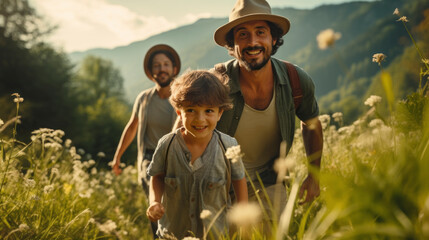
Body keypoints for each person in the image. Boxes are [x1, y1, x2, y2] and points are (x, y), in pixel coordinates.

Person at [213, 0, 323, 229]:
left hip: (269, 181)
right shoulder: (215, 83)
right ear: (232, 44)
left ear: (273, 39)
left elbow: (311, 122)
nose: (253, 42)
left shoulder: (296, 80)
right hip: (219, 183)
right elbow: (182, 132)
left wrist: (314, 175)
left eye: (260, 32)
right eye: (243, 34)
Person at [146, 70, 248, 239]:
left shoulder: (228, 146)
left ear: (220, 113)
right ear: (179, 112)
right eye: (191, 110)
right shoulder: (167, 144)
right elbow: (157, 175)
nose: (200, 119)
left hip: (214, 235)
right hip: (173, 234)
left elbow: (239, 179)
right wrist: (154, 201)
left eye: (209, 111)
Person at [111, 44, 180, 238]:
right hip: (148, 163)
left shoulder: (181, 98)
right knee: (155, 210)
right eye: (157, 65)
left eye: (166, 64)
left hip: (175, 162)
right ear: (151, 72)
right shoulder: (144, 98)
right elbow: (132, 127)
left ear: (174, 69)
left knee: (174, 214)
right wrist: (117, 158)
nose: (162, 69)